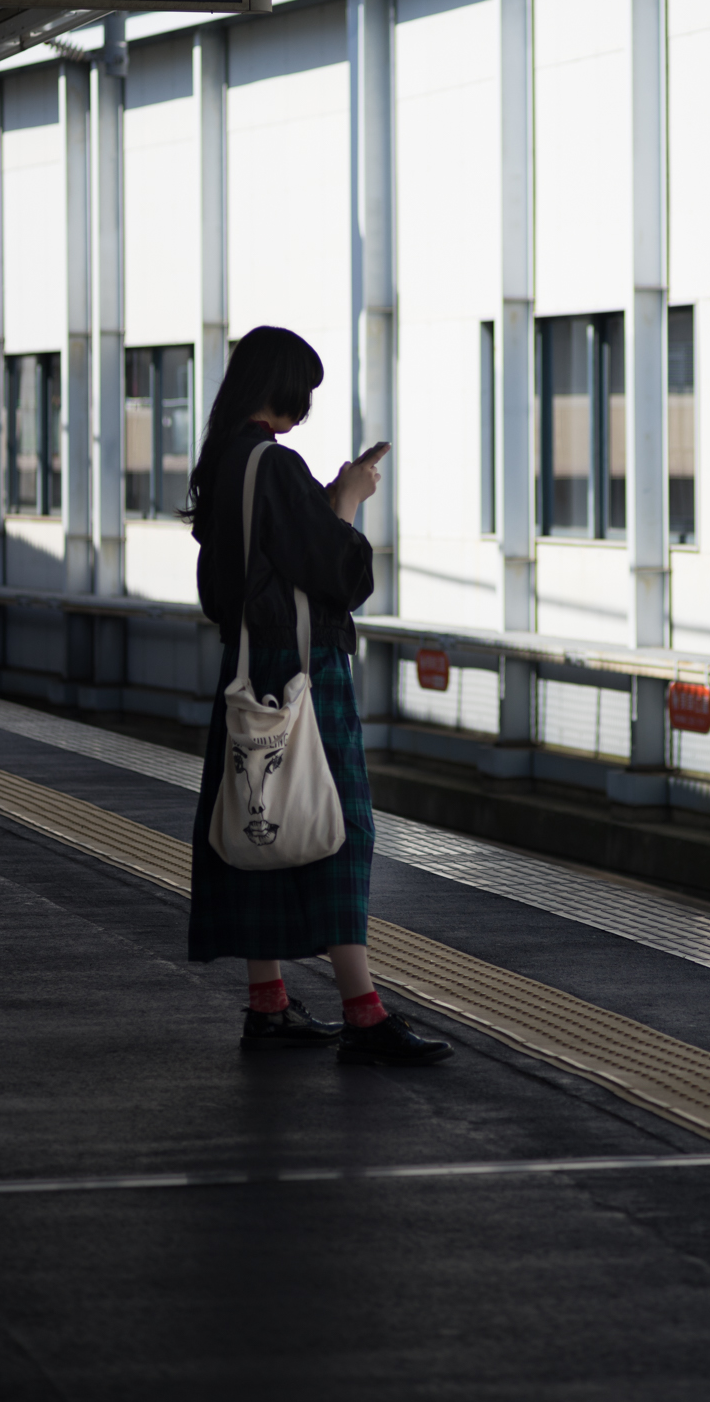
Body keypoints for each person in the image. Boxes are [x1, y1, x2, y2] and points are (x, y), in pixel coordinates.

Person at [186, 325, 451, 1066]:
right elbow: (339, 573)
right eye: (302, 390)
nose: (303, 407)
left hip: (247, 668)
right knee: (340, 827)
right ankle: (364, 1016)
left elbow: (246, 577)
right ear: (282, 388)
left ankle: (268, 1003)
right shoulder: (274, 464)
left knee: (259, 821)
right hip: (301, 669)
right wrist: (350, 500)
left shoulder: (224, 461)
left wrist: (326, 501)